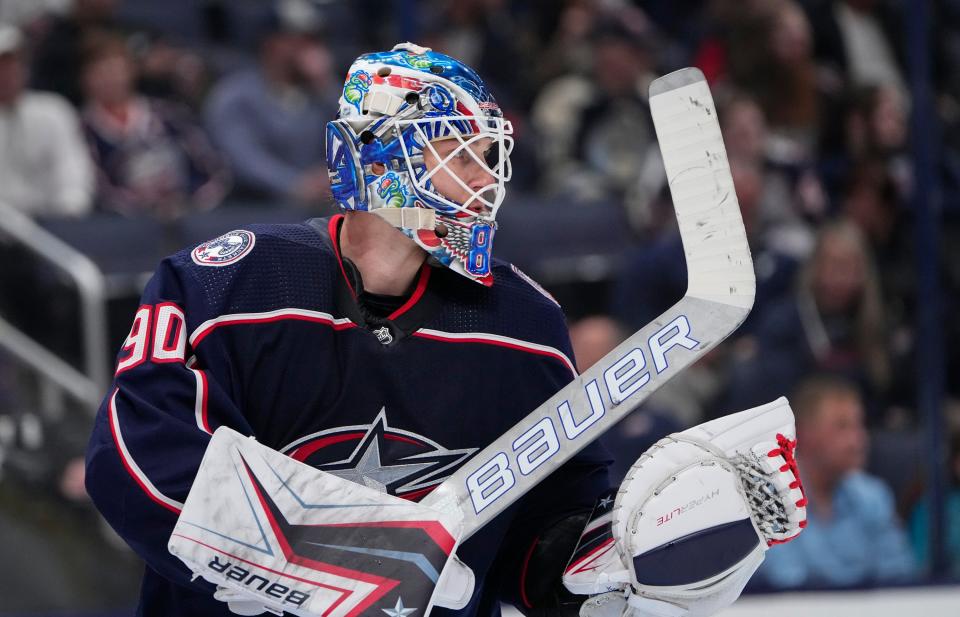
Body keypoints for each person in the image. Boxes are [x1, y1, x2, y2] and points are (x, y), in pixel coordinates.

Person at [85, 43, 804, 617]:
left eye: (486, 158)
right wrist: (335, 555)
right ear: (376, 155)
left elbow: (535, 541)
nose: (483, 180)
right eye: (456, 154)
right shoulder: (231, 285)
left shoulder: (523, 326)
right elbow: (138, 462)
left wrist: (623, 554)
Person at [755, 375, 915, 588]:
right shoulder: (769, 501)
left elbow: (900, 578)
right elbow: (788, 589)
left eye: (859, 425)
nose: (858, 440)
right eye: (842, 427)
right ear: (803, 433)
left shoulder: (874, 496)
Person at [80, 33, 230, 218]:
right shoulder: (84, 129)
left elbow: (213, 166)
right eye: (100, 71)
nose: (110, 78)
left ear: (131, 70)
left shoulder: (168, 114)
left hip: (191, 214)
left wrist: (196, 204)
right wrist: (145, 211)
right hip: (130, 224)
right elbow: (98, 188)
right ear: (85, 78)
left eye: (116, 69)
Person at [0, 24, 94, 217]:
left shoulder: (53, 110)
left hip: (49, 226)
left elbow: (73, 173)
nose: (6, 74)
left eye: (12, 64)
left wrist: (68, 214)